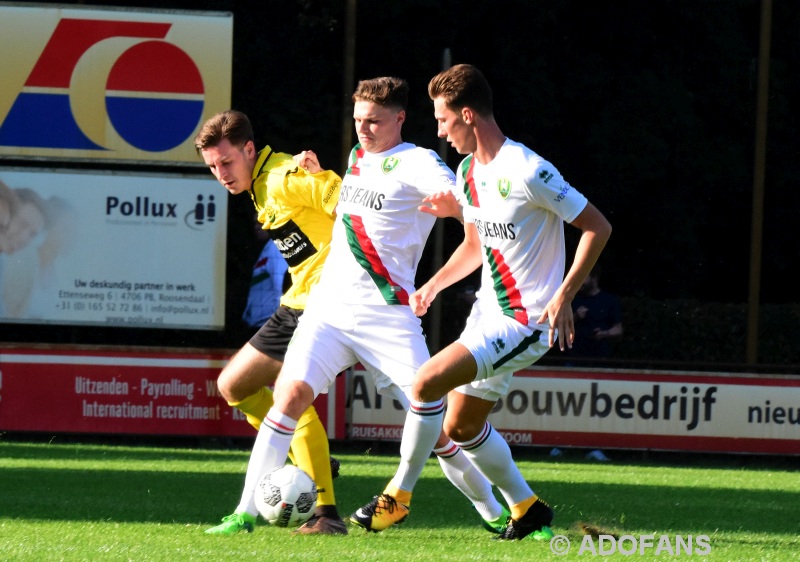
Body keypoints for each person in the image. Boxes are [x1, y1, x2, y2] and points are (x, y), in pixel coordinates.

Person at [231, 76, 510, 537]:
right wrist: (321, 175)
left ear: (400, 118)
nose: (363, 129)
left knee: (435, 427)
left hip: (388, 315)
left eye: (374, 121)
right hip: (329, 312)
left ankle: (495, 512)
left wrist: (456, 208)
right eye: (358, 120)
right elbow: (349, 212)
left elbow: (465, 202)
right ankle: (243, 514)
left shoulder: (419, 162)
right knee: (288, 398)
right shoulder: (358, 157)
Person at [352, 64, 613, 540]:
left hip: (524, 322)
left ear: (467, 115)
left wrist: (566, 292)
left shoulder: (530, 170)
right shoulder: (468, 171)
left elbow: (598, 226)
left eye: (442, 119)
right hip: (487, 314)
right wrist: (433, 285)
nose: (438, 131)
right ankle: (527, 507)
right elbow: (475, 245)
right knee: (461, 425)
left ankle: (399, 496)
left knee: (426, 381)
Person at [194, 110, 347, 535]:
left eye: (226, 163)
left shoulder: (281, 175)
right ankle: (304, 455)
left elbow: (347, 201)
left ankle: (326, 515)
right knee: (234, 386)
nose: (221, 174)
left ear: (248, 150)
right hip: (295, 304)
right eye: (212, 167)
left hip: (322, 304)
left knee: (288, 396)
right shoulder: (260, 185)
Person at [567, 265, 623, 361]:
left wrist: (604, 333)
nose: (579, 282)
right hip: (575, 358)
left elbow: (618, 330)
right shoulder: (573, 299)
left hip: (600, 359)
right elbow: (559, 328)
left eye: (583, 277)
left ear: (594, 278)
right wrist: (575, 317)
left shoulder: (609, 301)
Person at [242, 231, 289, 330]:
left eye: (260, 223)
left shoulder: (275, 247)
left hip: (269, 323)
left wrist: (280, 319)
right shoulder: (268, 247)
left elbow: (278, 284)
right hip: (260, 322)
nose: (256, 227)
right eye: (255, 223)